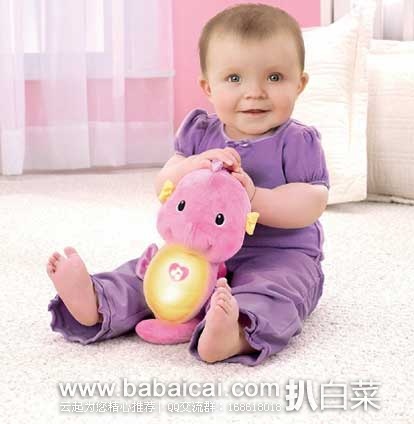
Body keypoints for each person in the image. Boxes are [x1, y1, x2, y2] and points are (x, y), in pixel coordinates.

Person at [47, 3, 329, 366]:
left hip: (277, 255)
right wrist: (191, 166)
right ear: (208, 87)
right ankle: (98, 301)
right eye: (234, 78)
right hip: (196, 252)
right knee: (149, 273)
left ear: (299, 84)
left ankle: (235, 331)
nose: (255, 92)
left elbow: (311, 202)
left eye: (274, 77)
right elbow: (163, 184)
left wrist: (254, 197)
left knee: (277, 292)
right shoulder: (200, 133)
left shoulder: (297, 141)